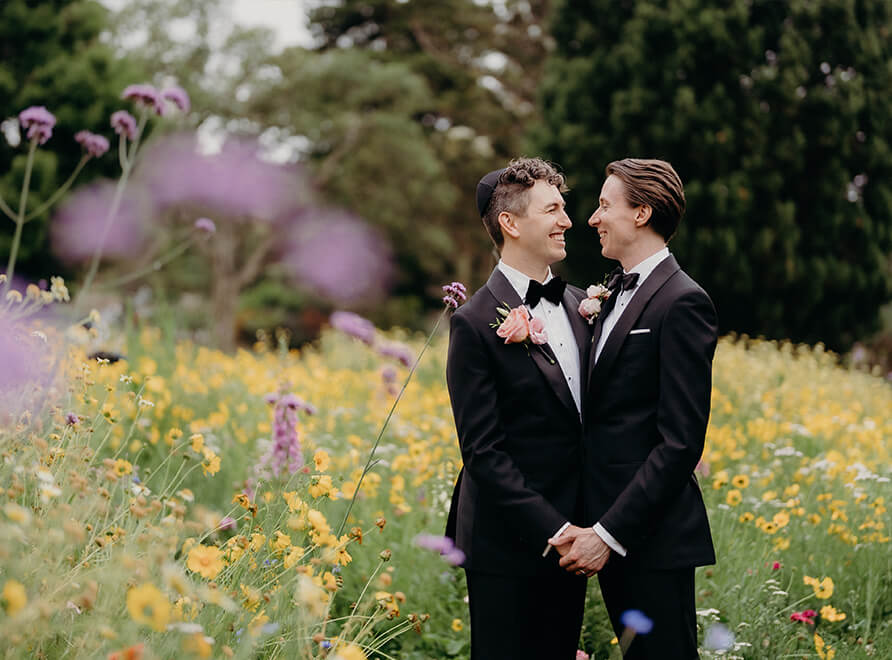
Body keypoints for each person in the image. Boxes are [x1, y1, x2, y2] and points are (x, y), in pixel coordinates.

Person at [550, 158, 718, 658]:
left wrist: (609, 533)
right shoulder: (610, 293)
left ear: (641, 212)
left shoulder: (683, 302)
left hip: (650, 536)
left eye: (604, 206)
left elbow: (681, 442)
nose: (592, 219)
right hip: (596, 526)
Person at [444, 157, 590, 659]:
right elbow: (482, 451)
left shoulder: (581, 305)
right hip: (506, 542)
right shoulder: (473, 323)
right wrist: (554, 529)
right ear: (510, 223)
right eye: (553, 209)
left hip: (575, 542)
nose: (568, 221)